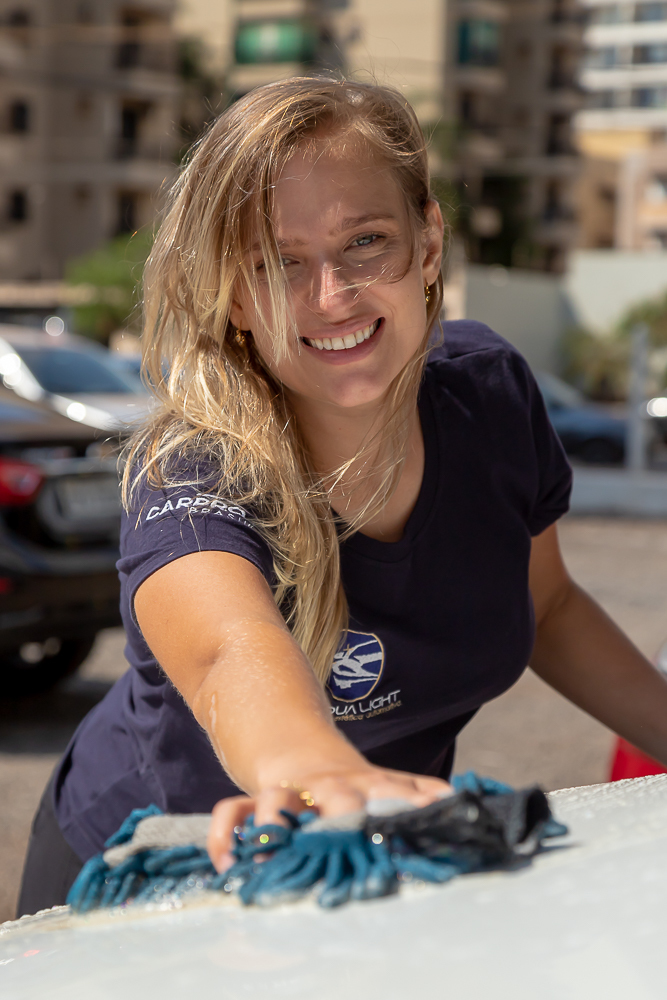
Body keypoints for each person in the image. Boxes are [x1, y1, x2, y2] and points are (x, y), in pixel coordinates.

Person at [17, 77, 667, 915]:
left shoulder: (490, 397)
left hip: (364, 858)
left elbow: (549, 606)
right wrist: (320, 774)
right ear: (236, 299)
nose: (331, 297)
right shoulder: (192, 467)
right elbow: (229, 648)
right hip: (151, 880)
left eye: (366, 242)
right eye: (276, 262)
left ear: (428, 244)